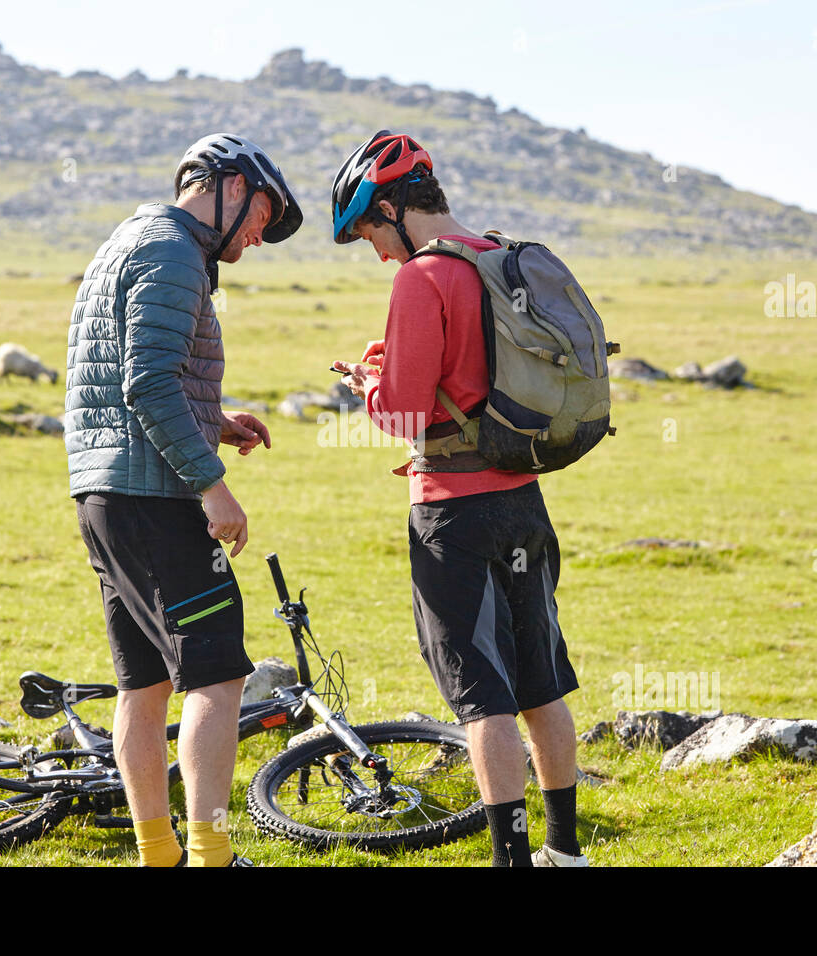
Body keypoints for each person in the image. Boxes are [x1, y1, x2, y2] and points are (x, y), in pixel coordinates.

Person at [330, 131, 587, 867]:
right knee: (541, 682)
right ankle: (565, 852)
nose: (378, 252)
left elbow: (406, 416)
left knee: (484, 698)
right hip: (524, 502)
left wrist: (368, 386)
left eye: (372, 232)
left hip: (453, 511)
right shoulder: (496, 255)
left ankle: (509, 858)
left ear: (392, 208)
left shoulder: (420, 279)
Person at [65, 133, 302, 867]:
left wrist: (215, 421)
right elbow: (148, 384)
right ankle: (211, 854)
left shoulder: (132, 239)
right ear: (228, 186)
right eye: (264, 209)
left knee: (145, 681)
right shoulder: (171, 251)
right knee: (218, 675)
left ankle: (159, 852)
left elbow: (128, 375)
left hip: (106, 494)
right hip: (157, 499)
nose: (262, 232)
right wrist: (211, 485)